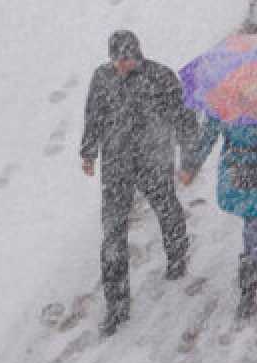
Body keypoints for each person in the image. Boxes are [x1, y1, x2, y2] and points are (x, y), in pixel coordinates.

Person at [80, 30, 199, 336]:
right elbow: (93, 115)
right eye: (117, 60)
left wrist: (188, 160)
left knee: (167, 208)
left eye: (128, 59)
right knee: (113, 234)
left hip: (153, 160)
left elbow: (184, 119)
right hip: (116, 165)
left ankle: (177, 256)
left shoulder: (160, 77)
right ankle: (117, 305)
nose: (123, 65)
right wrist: (89, 151)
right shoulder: (102, 78)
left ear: (138, 54)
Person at [179, 110, 257, 319]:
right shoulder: (226, 100)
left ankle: (248, 291)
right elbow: (208, 133)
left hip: (255, 169)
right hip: (244, 170)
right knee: (254, 220)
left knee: (253, 223)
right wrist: (190, 165)